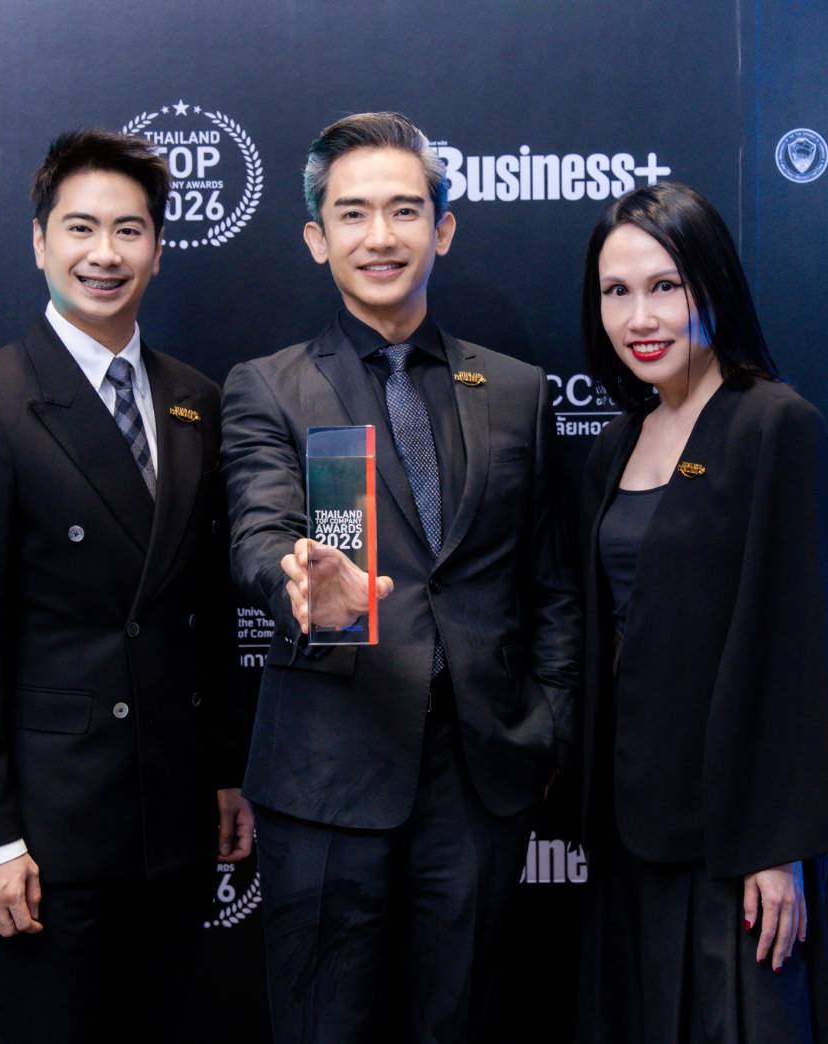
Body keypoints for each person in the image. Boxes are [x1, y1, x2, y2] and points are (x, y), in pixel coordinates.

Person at [221, 111, 580, 1043]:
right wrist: (300, 583)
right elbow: (261, 529)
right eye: (352, 214)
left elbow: (552, 581)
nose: (379, 236)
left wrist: (549, 726)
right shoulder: (269, 386)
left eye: (404, 210)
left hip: (479, 776)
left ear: (442, 228)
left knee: (460, 1024)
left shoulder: (517, 390)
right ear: (317, 238)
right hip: (325, 773)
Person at [0, 128, 253, 1044]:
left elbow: (207, 613)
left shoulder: (195, 400)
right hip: (49, 838)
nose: (105, 254)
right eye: (80, 228)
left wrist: (226, 772)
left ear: (158, 249)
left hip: (174, 824)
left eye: (129, 230)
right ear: (39, 242)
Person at [574, 182, 828, 1043]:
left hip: (737, 835)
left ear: (713, 285)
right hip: (630, 822)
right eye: (617, 292)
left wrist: (777, 845)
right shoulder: (617, 441)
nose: (639, 318)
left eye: (665, 286)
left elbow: (795, 648)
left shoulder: (774, 424)